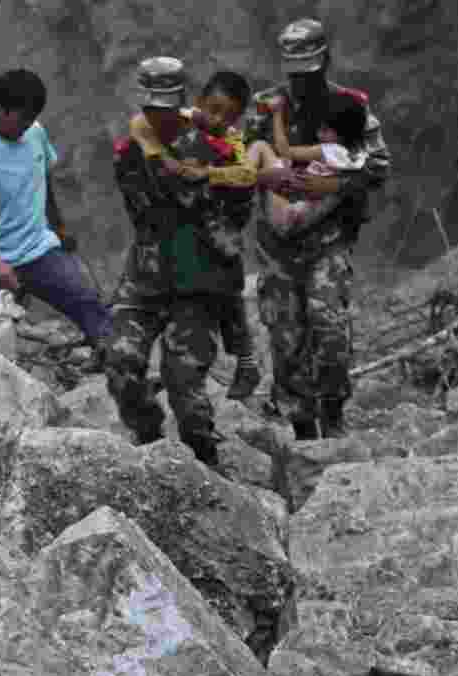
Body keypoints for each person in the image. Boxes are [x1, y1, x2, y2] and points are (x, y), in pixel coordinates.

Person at [244, 18, 391, 439]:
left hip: (327, 239)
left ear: (325, 60)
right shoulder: (266, 106)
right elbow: (237, 164)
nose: (301, 82)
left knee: (329, 333)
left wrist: (333, 184)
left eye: (308, 71)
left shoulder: (350, 107)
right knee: (286, 337)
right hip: (278, 242)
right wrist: (266, 178)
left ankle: (333, 413)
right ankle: (303, 428)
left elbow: (377, 168)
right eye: (294, 72)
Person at [106, 57, 256, 466]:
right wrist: (168, 165)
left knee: (185, 389)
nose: (159, 117)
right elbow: (145, 208)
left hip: (198, 287)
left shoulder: (222, 147)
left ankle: (207, 462)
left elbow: (238, 211)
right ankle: (150, 438)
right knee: (121, 364)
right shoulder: (132, 150)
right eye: (151, 109)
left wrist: (206, 173)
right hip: (147, 279)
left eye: (166, 109)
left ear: (181, 105)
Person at [0, 68, 111, 353]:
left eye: (32, 117)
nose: (28, 124)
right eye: (22, 117)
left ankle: (118, 368)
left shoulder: (35, 133)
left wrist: (59, 228)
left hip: (40, 249)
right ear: (0, 110)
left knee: (89, 303)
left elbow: (44, 181)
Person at [176, 71, 262, 399]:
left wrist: (209, 173)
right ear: (199, 100)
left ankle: (247, 361)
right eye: (212, 108)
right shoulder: (180, 124)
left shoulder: (234, 141)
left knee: (227, 290)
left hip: (221, 227)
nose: (216, 119)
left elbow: (246, 174)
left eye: (227, 115)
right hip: (184, 227)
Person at [247, 89, 369, 237]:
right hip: (300, 222)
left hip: (284, 216)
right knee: (278, 164)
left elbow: (284, 150)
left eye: (325, 130)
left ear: (343, 134)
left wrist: (277, 113)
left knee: (260, 150)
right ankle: (244, 176)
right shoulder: (357, 158)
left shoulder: (328, 150)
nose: (319, 134)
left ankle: (239, 179)